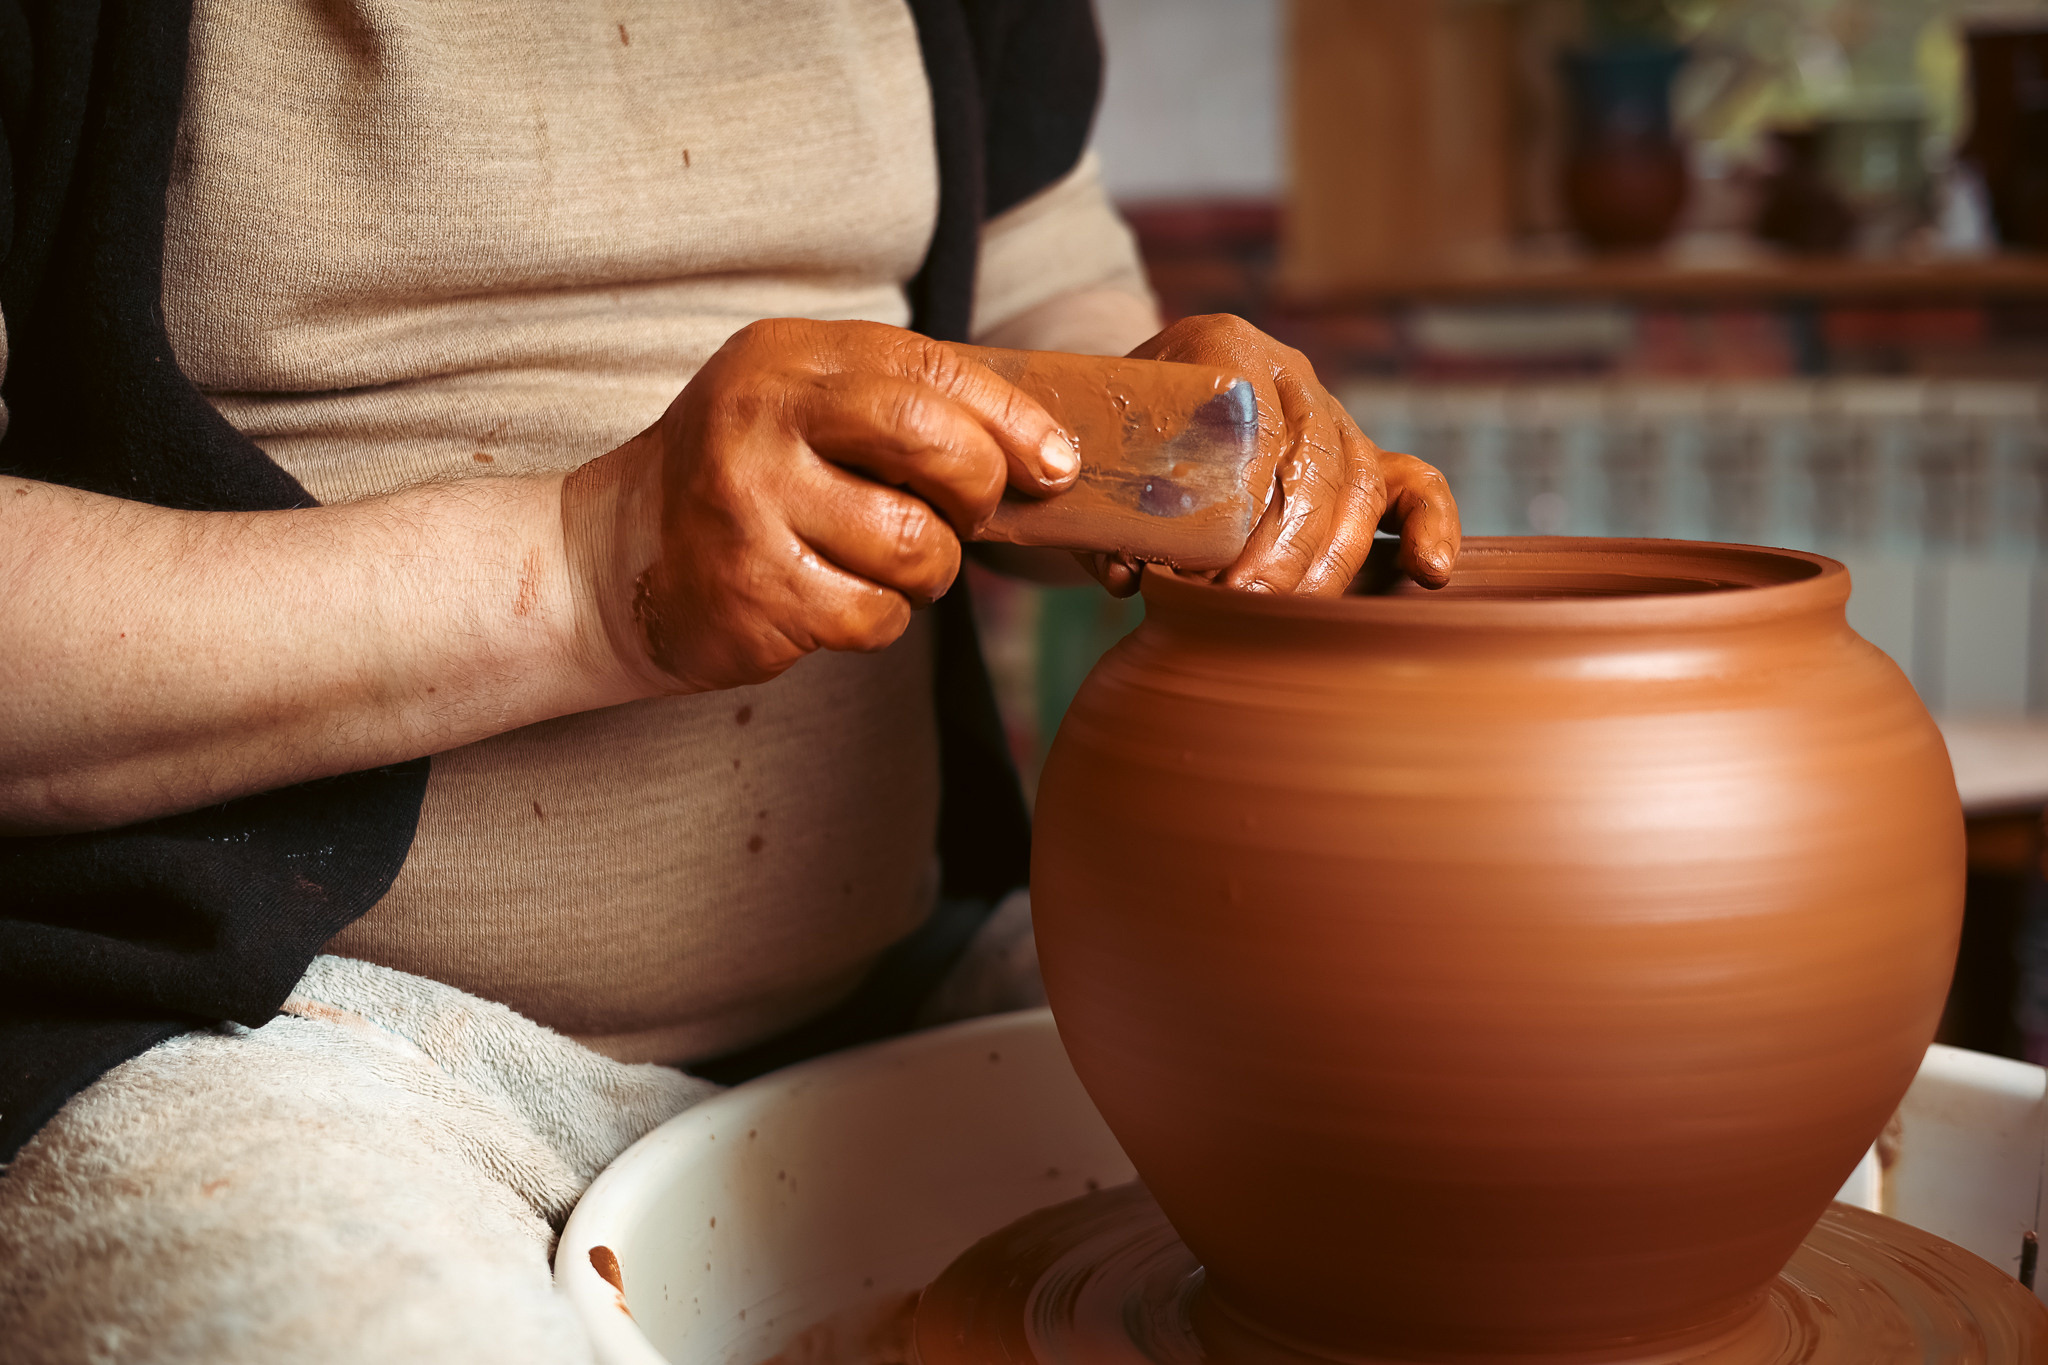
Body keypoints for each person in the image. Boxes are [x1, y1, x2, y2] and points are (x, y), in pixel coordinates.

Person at [0, 1, 1457, 1359]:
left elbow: (1044, 300)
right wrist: (590, 570)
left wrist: (1189, 442)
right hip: (255, 1030)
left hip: (894, 982)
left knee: (1432, 1148)